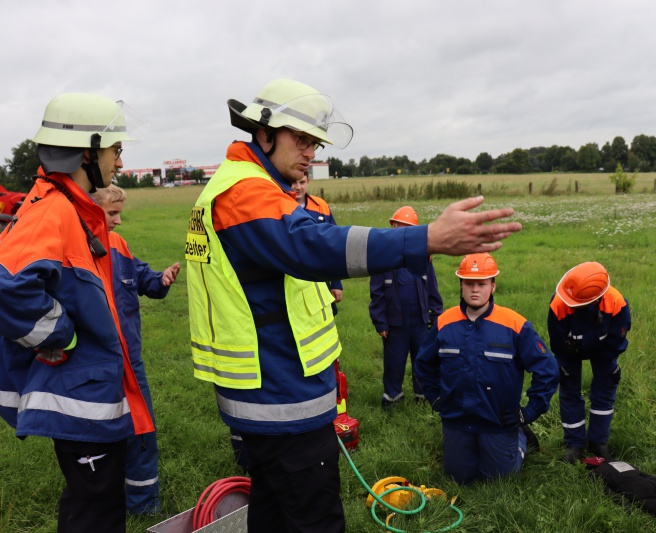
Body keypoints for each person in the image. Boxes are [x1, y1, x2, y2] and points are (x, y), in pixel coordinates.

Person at [184, 78, 521, 532]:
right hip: (283, 396)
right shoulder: (245, 192)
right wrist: (426, 238)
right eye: (300, 139)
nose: (310, 152)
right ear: (263, 133)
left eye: (315, 143)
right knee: (314, 518)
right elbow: (313, 247)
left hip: (269, 392)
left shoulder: (247, 186)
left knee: (274, 508)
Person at [0, 93, 153, 532]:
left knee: (100, 504)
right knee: (94, 512)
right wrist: (60, 334)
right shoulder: (53, 209)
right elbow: (8, 289)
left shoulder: (71, 207)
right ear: (87, 151)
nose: (120, 162)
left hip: (91, 395)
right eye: (116, 150)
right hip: (80, 404)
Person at [413, 253, 559, 484]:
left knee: (500, 480)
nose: (475, 290)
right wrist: (434, 398)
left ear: (493, 286)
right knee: (458, 477)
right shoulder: (444, 322)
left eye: (481, 284)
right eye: (469, 283)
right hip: (456, 418)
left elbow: (548, 369)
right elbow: (423, 363)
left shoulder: (514, 324)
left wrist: (528, 413)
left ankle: (519, 437)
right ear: (461, 285)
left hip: (498, 421)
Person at [91, 184, 181, 514]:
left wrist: (162, 279)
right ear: (90, 209)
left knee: (141, 431)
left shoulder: (118, 245)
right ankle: (102, 500)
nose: (118, 221)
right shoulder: (75, 251)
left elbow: (142, 277)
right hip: (94, 366)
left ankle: (143, 506)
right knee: (99, 436)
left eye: (119, 214)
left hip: (131, 363)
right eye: (112, 213)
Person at [547, 261, 631, 464]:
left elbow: (618, 337)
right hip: (569, 350)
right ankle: (574, 444)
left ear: (596, 300)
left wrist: (607, 362)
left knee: (605, 389)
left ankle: (598, 442)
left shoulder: (616, 303)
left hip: (605, 349)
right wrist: (565, 361)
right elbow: (557, 341)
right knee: (569, 390)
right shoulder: (558, 304)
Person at [369, 206, 443, 409]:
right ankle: (392, 397)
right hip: (394, 324)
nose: (403, 233)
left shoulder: (423, 258)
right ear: (391, 227)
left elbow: (432, 289)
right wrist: (380, 321)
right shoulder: (382, 258)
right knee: (394, 363)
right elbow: (376, 294)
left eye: (408, 229)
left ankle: (422, 397)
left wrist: (437, 316)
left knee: (422, 360)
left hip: (420, 322)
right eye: (399, 228)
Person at [291, 171, 343, 313]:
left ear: (308, 181)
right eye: (294, 182)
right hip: (293, 278)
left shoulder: (321, 206)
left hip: (321, 276)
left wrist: (336, 283)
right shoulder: (281, 206)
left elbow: (334, 245)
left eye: (301, 182)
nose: (298, 187)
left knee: (326, 314)